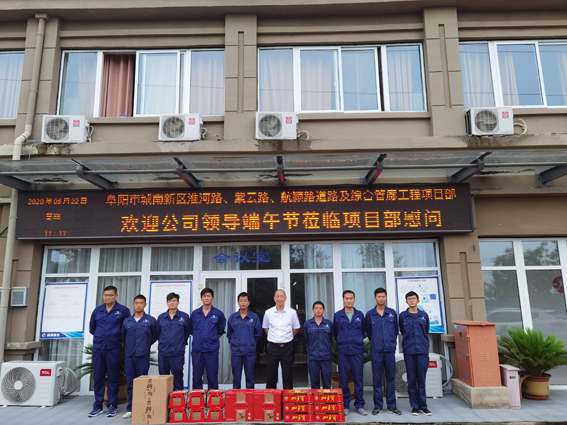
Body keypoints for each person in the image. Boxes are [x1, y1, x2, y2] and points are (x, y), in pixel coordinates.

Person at [88, 286, 130, 418]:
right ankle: (98, 406)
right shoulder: (97, 310)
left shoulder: (123, 310)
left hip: (114, 348)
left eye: (110, 295)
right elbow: (92, 328)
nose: (107, 297)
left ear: (116, 296)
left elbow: (126, 329)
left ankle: (112, 405)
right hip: (99, 348)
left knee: (113, 376)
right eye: (105, 295)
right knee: (98, 377)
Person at [121, 295, 158, 419]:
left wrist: (145, 344)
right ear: (133, 304)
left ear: (145, 305)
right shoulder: (127, 321)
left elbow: (154, 336)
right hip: (129, 355)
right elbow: (123, 337)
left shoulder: (151, 320)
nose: (138, 305)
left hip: (143, 355)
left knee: (142, 383)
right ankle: (130, 409)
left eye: (141, 303)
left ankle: (142, 407)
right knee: (130, 382)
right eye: (136, 303)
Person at [365, 288, 401, 416]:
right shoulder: (370, 314)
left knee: (390, 378)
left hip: (389, 350)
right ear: (375, 298)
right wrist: (377, 342)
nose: (381, 298)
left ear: (386, 297)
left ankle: (392, 406)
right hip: (376, 351)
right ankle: (378, 406)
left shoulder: (392, 313)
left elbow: (395, 330)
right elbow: (369, 333)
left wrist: (389, 342)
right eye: (378, 296)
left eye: (383, 296)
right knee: (377, 379)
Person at [333, 290, 367, 416]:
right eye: (346, 298)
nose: (349, 300)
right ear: (343, 299)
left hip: (357, 351)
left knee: (358, 379)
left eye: (351, 298)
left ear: (354, 299)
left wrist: (356, 341)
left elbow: (363, 332)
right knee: (343, 380)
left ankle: (359, 405)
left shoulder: (360, 315)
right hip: (343, 352)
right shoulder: (338, 315)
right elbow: (335, 333)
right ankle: (345, 404)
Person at [399, 291, 432, 416]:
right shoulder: (403, 316)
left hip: (422, 351)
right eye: (409, 299)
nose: (411, 300)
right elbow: (402, 331)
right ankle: (415, 406)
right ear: (406, 301)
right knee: (411, 379)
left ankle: (423, 406)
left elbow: (426, 331)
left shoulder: (424, 315)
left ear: (418, 301)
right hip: (409, 351)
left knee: (421, 379)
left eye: (413, 298)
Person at [262, 289, 300, 389]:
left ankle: (287, 397)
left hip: (287, 348)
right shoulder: (268, 313)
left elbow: (296, 328)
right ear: (274, 298)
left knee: (288, 375)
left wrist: (287, 337)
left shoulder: (292, 312)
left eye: (282, 296)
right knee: (271, 375)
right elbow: (266, 328)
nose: (279, 299)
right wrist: (274, 337)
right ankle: (271, 397)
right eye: (277, 296)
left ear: (285, 298)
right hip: (273, 347)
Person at [189, 288, 226, 389]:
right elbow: (191, 330)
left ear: (212, 298)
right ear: (201, 298)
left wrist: (212, 338)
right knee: (196, 377)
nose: (206, 298)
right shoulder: (195, 314)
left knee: (212, 376)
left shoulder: (218, 314)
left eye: (208, 296)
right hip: (197, 350)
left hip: (211, 351)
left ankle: (213, 398)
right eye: (204, 296)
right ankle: (197, 398)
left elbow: (220, 330)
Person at [227, 292, 262, 388]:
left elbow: (258, 332)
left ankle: (250, 396)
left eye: (245, 301)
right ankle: (236, 396)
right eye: (241, 300)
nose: (243, 303)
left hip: (249, 351)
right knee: (236, 378)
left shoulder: (254, 317)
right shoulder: (233, 317)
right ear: (238, 302)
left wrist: (252, 342)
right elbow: (229, 333)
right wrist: (234, 342)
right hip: (236, 351)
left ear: (248, 302)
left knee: (250, 377)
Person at [157, 292, 190, 391]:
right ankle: (165, 399)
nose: (172, 303)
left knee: (178, 377)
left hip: (177, 353)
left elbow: (186, 332)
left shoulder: (184, 317)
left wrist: (180, 343)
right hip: (164, 352)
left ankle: (178, 399)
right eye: (170, 301)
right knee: (163, 378)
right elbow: (157, 333)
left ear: (178, 302)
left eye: (174, 300)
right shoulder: (161, 317)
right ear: (167, 303)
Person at [303, 301, 333, 389]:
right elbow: (306, 340)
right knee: (314, 382)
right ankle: (315, 398)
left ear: (324, 310)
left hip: (326, 357)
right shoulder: (307, 324)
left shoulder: (329, 324)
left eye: (320, 308)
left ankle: (326, 398)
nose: (318, 310)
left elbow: (331, 339)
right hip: (313, 357)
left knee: (327, 382)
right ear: (313, 310)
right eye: (316, 308)